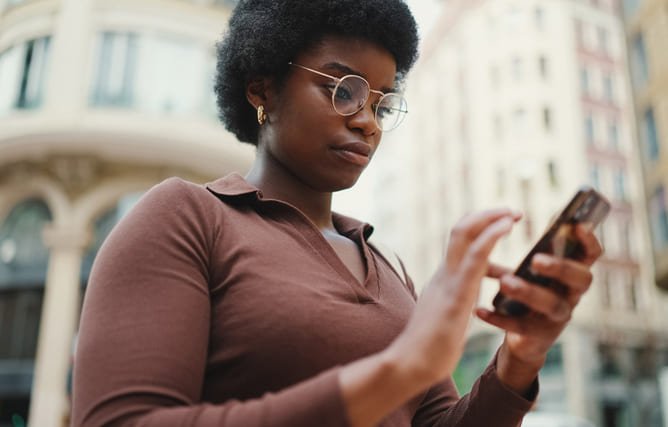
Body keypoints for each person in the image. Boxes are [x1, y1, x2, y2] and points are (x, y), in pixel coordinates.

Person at [71, 0, 603, 426]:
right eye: (343, 91)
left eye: (381, 103)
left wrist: (519, 358)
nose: (368, 122)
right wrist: (395, 371)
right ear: (263, 88)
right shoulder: (185, 217)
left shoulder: (388, 266)